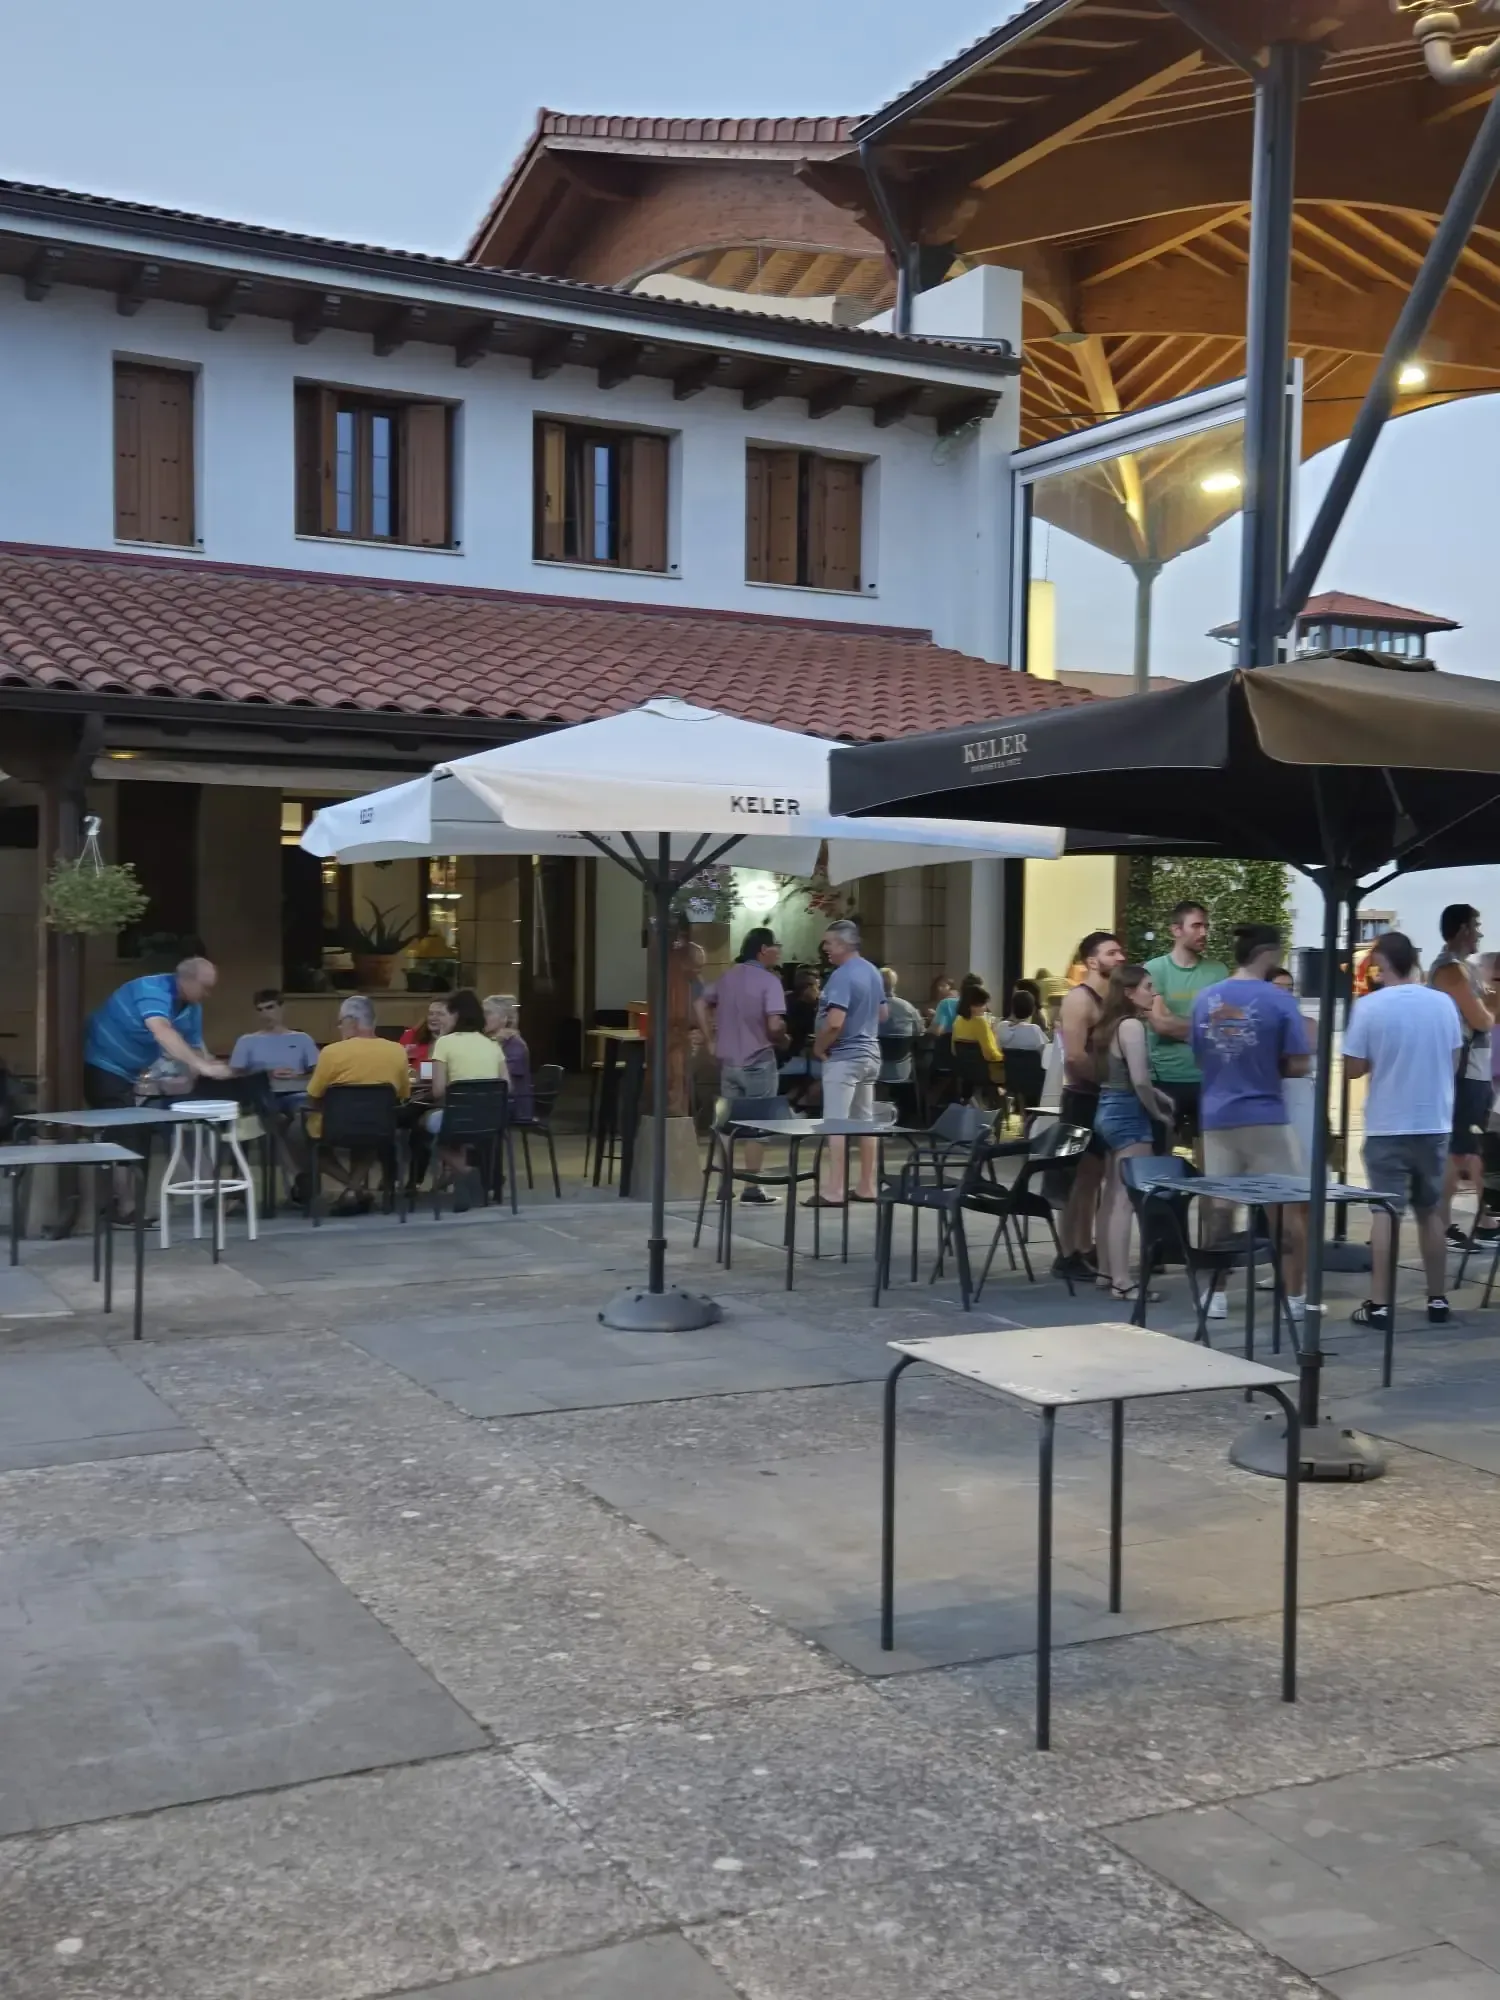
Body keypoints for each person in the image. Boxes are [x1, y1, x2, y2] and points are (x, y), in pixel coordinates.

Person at [1344, 930, 1465, 1331]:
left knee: (1385, 1212)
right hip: (1433, 1121)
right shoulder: (1443, 1004)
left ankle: (1380, 1304)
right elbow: (1454, 1060)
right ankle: (1437, 1298)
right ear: (1413, 960)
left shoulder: (1370, 1008)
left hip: (1387, 1122)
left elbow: (1353, 1068)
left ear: (1380, 965)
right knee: (1430, 1211)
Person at [1191, 925, 1311, 1323]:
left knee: (1219, 1208)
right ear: (1270, 953)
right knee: (1289, 1209)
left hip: (1216, 1115)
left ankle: (1215, 1293)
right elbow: (1298, 1063)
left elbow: (1199, 1056)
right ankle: (1294, 1296)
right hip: (1264, 1115)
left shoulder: (1205, 998)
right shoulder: (1279, 1000)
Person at [1089, 964, 1175, 1303]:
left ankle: (1106, 1271)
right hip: (1128, 1115)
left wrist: (1159, 1096)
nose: (1153, 993)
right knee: (1127, 1199)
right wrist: (1157, 1113)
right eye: (1148, 987)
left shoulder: (1110, 1026)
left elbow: (1124, 1076)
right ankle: (1123, 1281)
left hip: (1106, 1109)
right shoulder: (1132, 1027)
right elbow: (1139, 1080)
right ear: (1129, 992)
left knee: (1111, 1196)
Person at [696, 928, 788, 1203]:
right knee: (757, 1127)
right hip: (758, 1061)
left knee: (727, 1125)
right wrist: (783, 1036)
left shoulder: (727, 977)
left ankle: (724, 1185)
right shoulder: (769, 982)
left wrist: (710, 1041)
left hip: (729, 1063)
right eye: (776, 946)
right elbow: (774, 1025)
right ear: (763, 950)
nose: (779, 951)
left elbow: (700, 1002)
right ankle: (751, 1187)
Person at [1054, 929, 1126, 1281]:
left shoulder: (1113, 998)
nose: (1121, 958)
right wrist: (1108, 1082)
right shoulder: (1078, 1000)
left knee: (1096, 1179)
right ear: (1093, 961)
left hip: (1104, 1097)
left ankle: (1087, 1248)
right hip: (1082, 1099)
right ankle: (1069, 1253)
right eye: (1113, 953)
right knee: (1078, 1180)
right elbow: (1075, 1057)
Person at [304, 994, 412, 1215]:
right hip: (380, 1127)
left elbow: (313, 1095)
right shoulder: (397, 1051)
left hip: (336, 1128)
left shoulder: (332, 1053)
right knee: (371, 1134)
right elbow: (402, 1094)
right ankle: (356, 1190)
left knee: (300, 1134)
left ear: (351, 1022)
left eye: (340, 1022)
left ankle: (354, 1190)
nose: (339, 1028)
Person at [1427, 903, 1495, 1245]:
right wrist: (1490, 1005)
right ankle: (1459, 1223)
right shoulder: (1450, 971)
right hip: (1464, 1075)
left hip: (1472, 1074)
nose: (1480, 932)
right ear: (1462, 929)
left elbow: (1485, 1009)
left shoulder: (1461, 970)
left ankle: (1473, 1220)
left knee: (1470, 1149)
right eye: (1476, 925)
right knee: (1466, 1150)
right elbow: (1482, 1019)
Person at [85, 956, 229, 1108]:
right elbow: (162, 1031)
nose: (208, 994)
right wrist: (202, 1066)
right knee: (123, 1124)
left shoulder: (193, 1008)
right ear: (187, 980)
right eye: (205, 987)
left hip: (134, 1074)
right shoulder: (152, 988)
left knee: (155, 1121)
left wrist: (209, 1071)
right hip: (103, 1064)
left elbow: (195, 1048)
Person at [811, 919, 886, 1205]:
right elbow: (883, 1014)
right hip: (870, 1054)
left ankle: (834, 1190)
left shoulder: (842, 976)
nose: (825, 948)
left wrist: (819, 1047)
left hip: (844, 1057)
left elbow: (835, 1022)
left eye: (829, 942)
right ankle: (868, 1186)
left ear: (843, 944)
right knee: (865, 1122)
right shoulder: (872, 972)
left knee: (836, 1123)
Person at [1145, 901, 1229, 1148]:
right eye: (1196, 926)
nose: (1204, 933)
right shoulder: (1154, 969)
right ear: (1176, 930)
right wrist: (1205, 1028)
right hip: (1164, 1078)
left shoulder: (1218, 971)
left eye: (1206, 926)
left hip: (1209, 1079)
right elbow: (1161, 1024)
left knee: (1212, 1157)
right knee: (1161, 1157)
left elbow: (1225, 1026)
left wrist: (1179, 1025)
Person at [425, 988, 504, 1208]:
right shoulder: (493, 1045)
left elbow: (438, 1090)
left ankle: (467, 1171)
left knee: (422, 1130)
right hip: (491, 1120)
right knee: (453, 1132)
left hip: (457, 1117)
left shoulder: (444, 1044)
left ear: (456, 1015)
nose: (443, 1019)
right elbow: (507, 1085)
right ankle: (464, 1191)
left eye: (446, 1014)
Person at [1270, 966, 1318, 1175]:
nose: (1285, 993)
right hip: (1268, 1098)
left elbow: (1298, 1065)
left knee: (1303, 1160)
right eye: (1278, 987)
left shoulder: (1307, 1024)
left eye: (1289, 988)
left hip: (1299, 1098)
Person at [229, 990, 319, 1099]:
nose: (265, 1014)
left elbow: (319, 1073)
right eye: (260, 1010)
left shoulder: (302, 1039)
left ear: (282, 1008)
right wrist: (266, 1075)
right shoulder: (246, 1041)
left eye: (270, 1008)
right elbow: (234, 1077)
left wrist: (298, 1077)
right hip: (260, 1095)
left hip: (296, 1093)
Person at [878, 967, 925, 1123]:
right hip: (902, 1069)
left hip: (874, 1070)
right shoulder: (907, 1008)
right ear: (895, 985)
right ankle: (912, 1115)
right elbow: (920, 1032)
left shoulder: (867, 1008)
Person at [482, 993, 534, 1123]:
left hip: (512, 1104)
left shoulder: (515, 1045)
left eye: (487, 1013)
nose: (482, 1018)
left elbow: (500, 1080)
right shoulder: (486, 1040)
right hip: (491, 1100)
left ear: (504, 1018)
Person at [951, 982, 1004, 1095]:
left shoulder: (958, 1021)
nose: (985, 1008)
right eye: (982, 1004)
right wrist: (1004, 1057)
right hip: (986, 1074)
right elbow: (990, 1054)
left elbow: (954, 1050)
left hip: (965, 1073)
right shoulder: (980, 1022)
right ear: (972, 1005)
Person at [400, 998, 448, 1071]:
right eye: (430, 1014)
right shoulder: (411, 1035)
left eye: (440, 1014)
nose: (433, 1018)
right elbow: (396, 1063)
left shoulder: (457, 1041)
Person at [999, 988, 1049, 1054]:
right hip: (1032, 1064)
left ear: (1012, 1007)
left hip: (1009, 1064)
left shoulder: (1001, 1026)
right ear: (1032, 1010)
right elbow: (1045, 1051)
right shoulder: (1034, 1030)